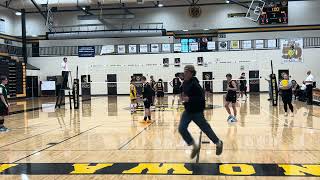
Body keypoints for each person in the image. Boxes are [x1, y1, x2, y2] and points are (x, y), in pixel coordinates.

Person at [179, 65, 223, 159]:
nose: (185, 73)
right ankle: (194, 145)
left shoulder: (195, 84)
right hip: (188, 111)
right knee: (181, 128)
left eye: (186, 72)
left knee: (206, 129)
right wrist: (181, 97)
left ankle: (218, 143)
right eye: (184, 71)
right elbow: (183, 92)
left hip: (197, 112)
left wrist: (189, 99)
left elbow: (201, 98)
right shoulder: (184, 83)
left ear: (191, 73)